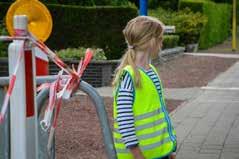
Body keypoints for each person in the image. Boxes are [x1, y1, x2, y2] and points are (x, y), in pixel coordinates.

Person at [112, 16, 177, 159]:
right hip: (140, 156)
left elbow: (159, 113)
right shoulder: (128, 77)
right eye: (160, 39)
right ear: (151, 41)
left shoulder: (151, 71)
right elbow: (124, 122)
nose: (162, 43)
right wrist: (138, 155)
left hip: (158, 153)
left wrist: (168, 149)